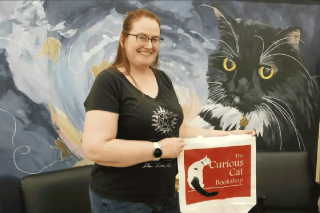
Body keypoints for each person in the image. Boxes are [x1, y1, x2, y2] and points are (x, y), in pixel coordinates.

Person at [82, 8, 256, 213]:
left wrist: (228, 136)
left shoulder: (162, 79)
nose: (149, 45)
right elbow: (95, 149)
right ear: (123, 39)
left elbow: (179, 130)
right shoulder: (109, 81)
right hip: (122, 200)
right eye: (141, 37)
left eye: (155, 39)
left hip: (167, 197)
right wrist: (158, 150)